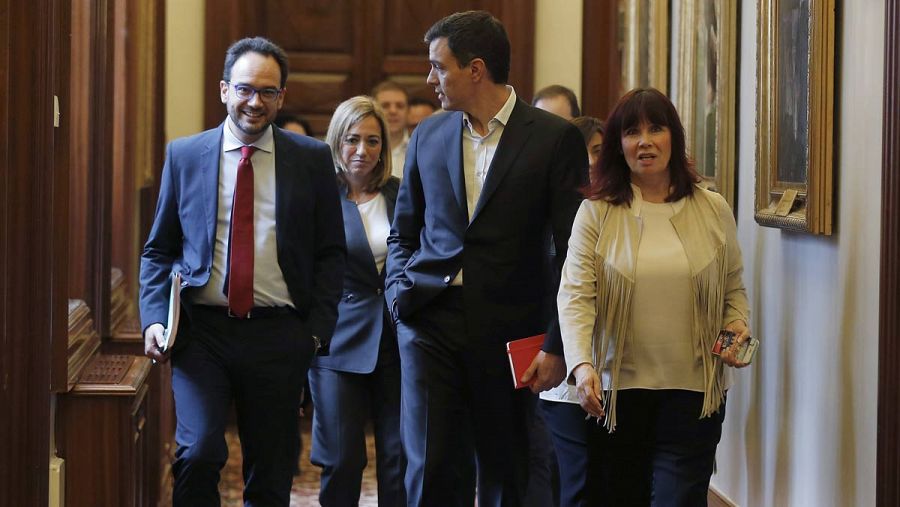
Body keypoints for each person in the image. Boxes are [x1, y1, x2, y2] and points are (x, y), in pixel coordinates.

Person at [385, 10, 586, 506]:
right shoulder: (428, 134)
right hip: (429, 321)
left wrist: (557, 344)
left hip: (511, 330)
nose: (430, 79)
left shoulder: (553, 138)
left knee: (504, 470)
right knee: (430, 470)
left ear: (475, 69)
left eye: (439, 66)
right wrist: (397, 295)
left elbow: (573, 252)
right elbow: (404, 231)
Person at [139, 36, 346, 506]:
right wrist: (153, 318)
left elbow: (331, 252)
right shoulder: (185, 155)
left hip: (280, 336)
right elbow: (158, 250)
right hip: (202, 334)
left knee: (271, 471)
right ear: (224, 90)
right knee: (198, 453)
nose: (255, 102)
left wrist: (314, 333)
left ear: (282, 97)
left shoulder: (311, 159)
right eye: (245, 89)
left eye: (268, 92)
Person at [557, 88, 751, 506]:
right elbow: (575, 295)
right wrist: (582, 365)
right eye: (632, 132)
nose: (644, 141)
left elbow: (732, 287)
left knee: (679, 498)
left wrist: (736, 325)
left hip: (695, 391)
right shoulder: (597, 212)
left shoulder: (713, 208)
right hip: (618, 393)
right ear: (618, 145)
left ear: (673, 138)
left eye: (655, 129)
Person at [307, 96, 406, 506]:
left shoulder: (401, 193)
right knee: (341, 458)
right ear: (336, 141)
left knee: (398, 458)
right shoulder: (318, 196)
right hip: (337, 340)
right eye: (352, 140)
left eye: (372, 140)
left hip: (397, 339)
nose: (362, 150)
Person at [536, 115, 605, 507]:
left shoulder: (618, 209)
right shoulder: (552, 212)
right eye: (584, 153)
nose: (591, 162)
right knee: (571, 476)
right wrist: (555, 347)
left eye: (599, 151)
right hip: (560, 363)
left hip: (613, 368)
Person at [372, 80, 410, 178]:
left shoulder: (419, 148)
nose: (393, 111)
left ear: (408, 111)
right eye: (385, 106)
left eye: (400, 106)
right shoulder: (364, 149)